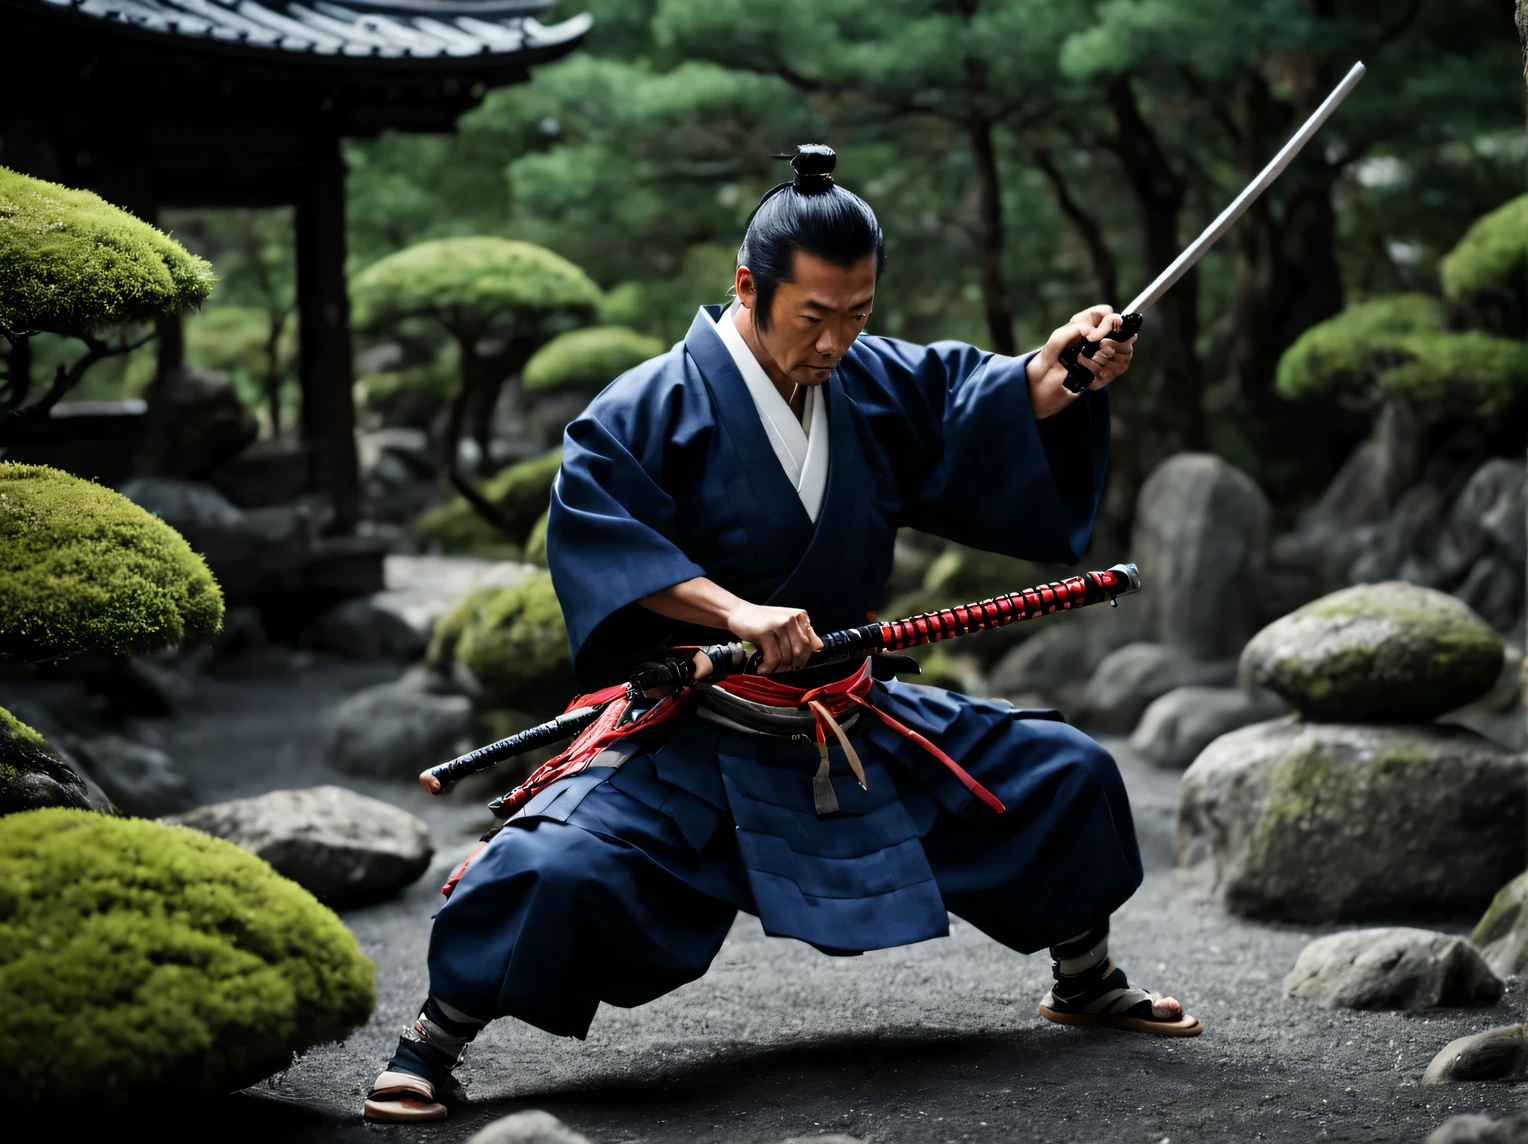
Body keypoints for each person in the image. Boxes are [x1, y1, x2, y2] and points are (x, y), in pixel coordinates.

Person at [363, 144, 1200, 1125]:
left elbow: (975, 408)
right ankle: (435, 1034)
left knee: (1060, 771)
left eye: (859, 314)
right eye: (815, 316)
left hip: (848, 712)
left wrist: (1058, 373)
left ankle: (1084, 977)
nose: (838, 340)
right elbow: (599, 532)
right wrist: (734, 613)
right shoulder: (645, 405)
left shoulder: (870, 379)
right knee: (549, 862)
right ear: (748, 287)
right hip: (696, 727)